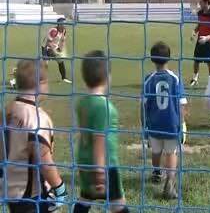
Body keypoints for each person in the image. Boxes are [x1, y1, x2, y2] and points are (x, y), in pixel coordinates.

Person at [2, 59, 68, 213]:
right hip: (33, 195)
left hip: (10, 190)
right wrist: (59, 187)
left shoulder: (7, 110)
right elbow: (43, 157)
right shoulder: (38, 119)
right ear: (41, 83)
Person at [73, 50, 129, 213]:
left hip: (84, 160)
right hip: (104, 164)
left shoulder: (82, 102)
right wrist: (99, 171)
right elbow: (99, 140)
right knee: (118, 203)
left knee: (85, 197)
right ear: (107, 77)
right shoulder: (104, 107)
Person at [142, 41, 188, 200]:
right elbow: (182, 104)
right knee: (171, 152)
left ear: (152, 59)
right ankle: (170, 181)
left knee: (155, 151)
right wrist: (181, 123)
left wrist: (144, 126)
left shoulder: (148, 80)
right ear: (169, 58)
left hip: (154, 124)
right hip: (172, 124)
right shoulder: (176, 79)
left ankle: (156, 173)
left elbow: (144, 105)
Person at [189, 0, 210, 87]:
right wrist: (194, 32)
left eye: (201, 2)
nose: (199, 4)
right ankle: (195, 78)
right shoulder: (200, 13)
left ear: (206, 3)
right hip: (199, 40)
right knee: (196, 61)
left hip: (209, 42)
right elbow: (199, 24)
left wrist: (207, 38)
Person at [41, 17, 72, 84]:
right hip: (46, 48)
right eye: (64, 23)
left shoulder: (64, 30)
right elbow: (48, 43)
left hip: (55, 47)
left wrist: (62, 50)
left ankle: (64, 78)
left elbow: (63, 40)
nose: (65, 25)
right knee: (45, 63)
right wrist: (55, 52)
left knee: (60, 61)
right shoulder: (54, 31)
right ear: (59, 24)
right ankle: (42, 79)